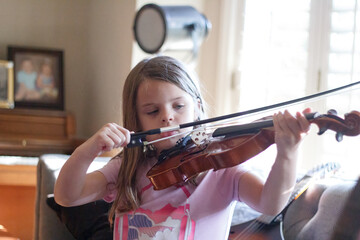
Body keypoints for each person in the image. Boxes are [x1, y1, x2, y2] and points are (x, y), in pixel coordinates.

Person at [54, 56, 311, 239]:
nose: (167, 117)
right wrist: (87, 151)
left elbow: (270, 203)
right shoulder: (126, 170)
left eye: (178, 106)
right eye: (153, 110)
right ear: (136, 119)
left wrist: (287, 153)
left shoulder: (222, 168)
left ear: (197, 107)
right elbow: (67, 196)